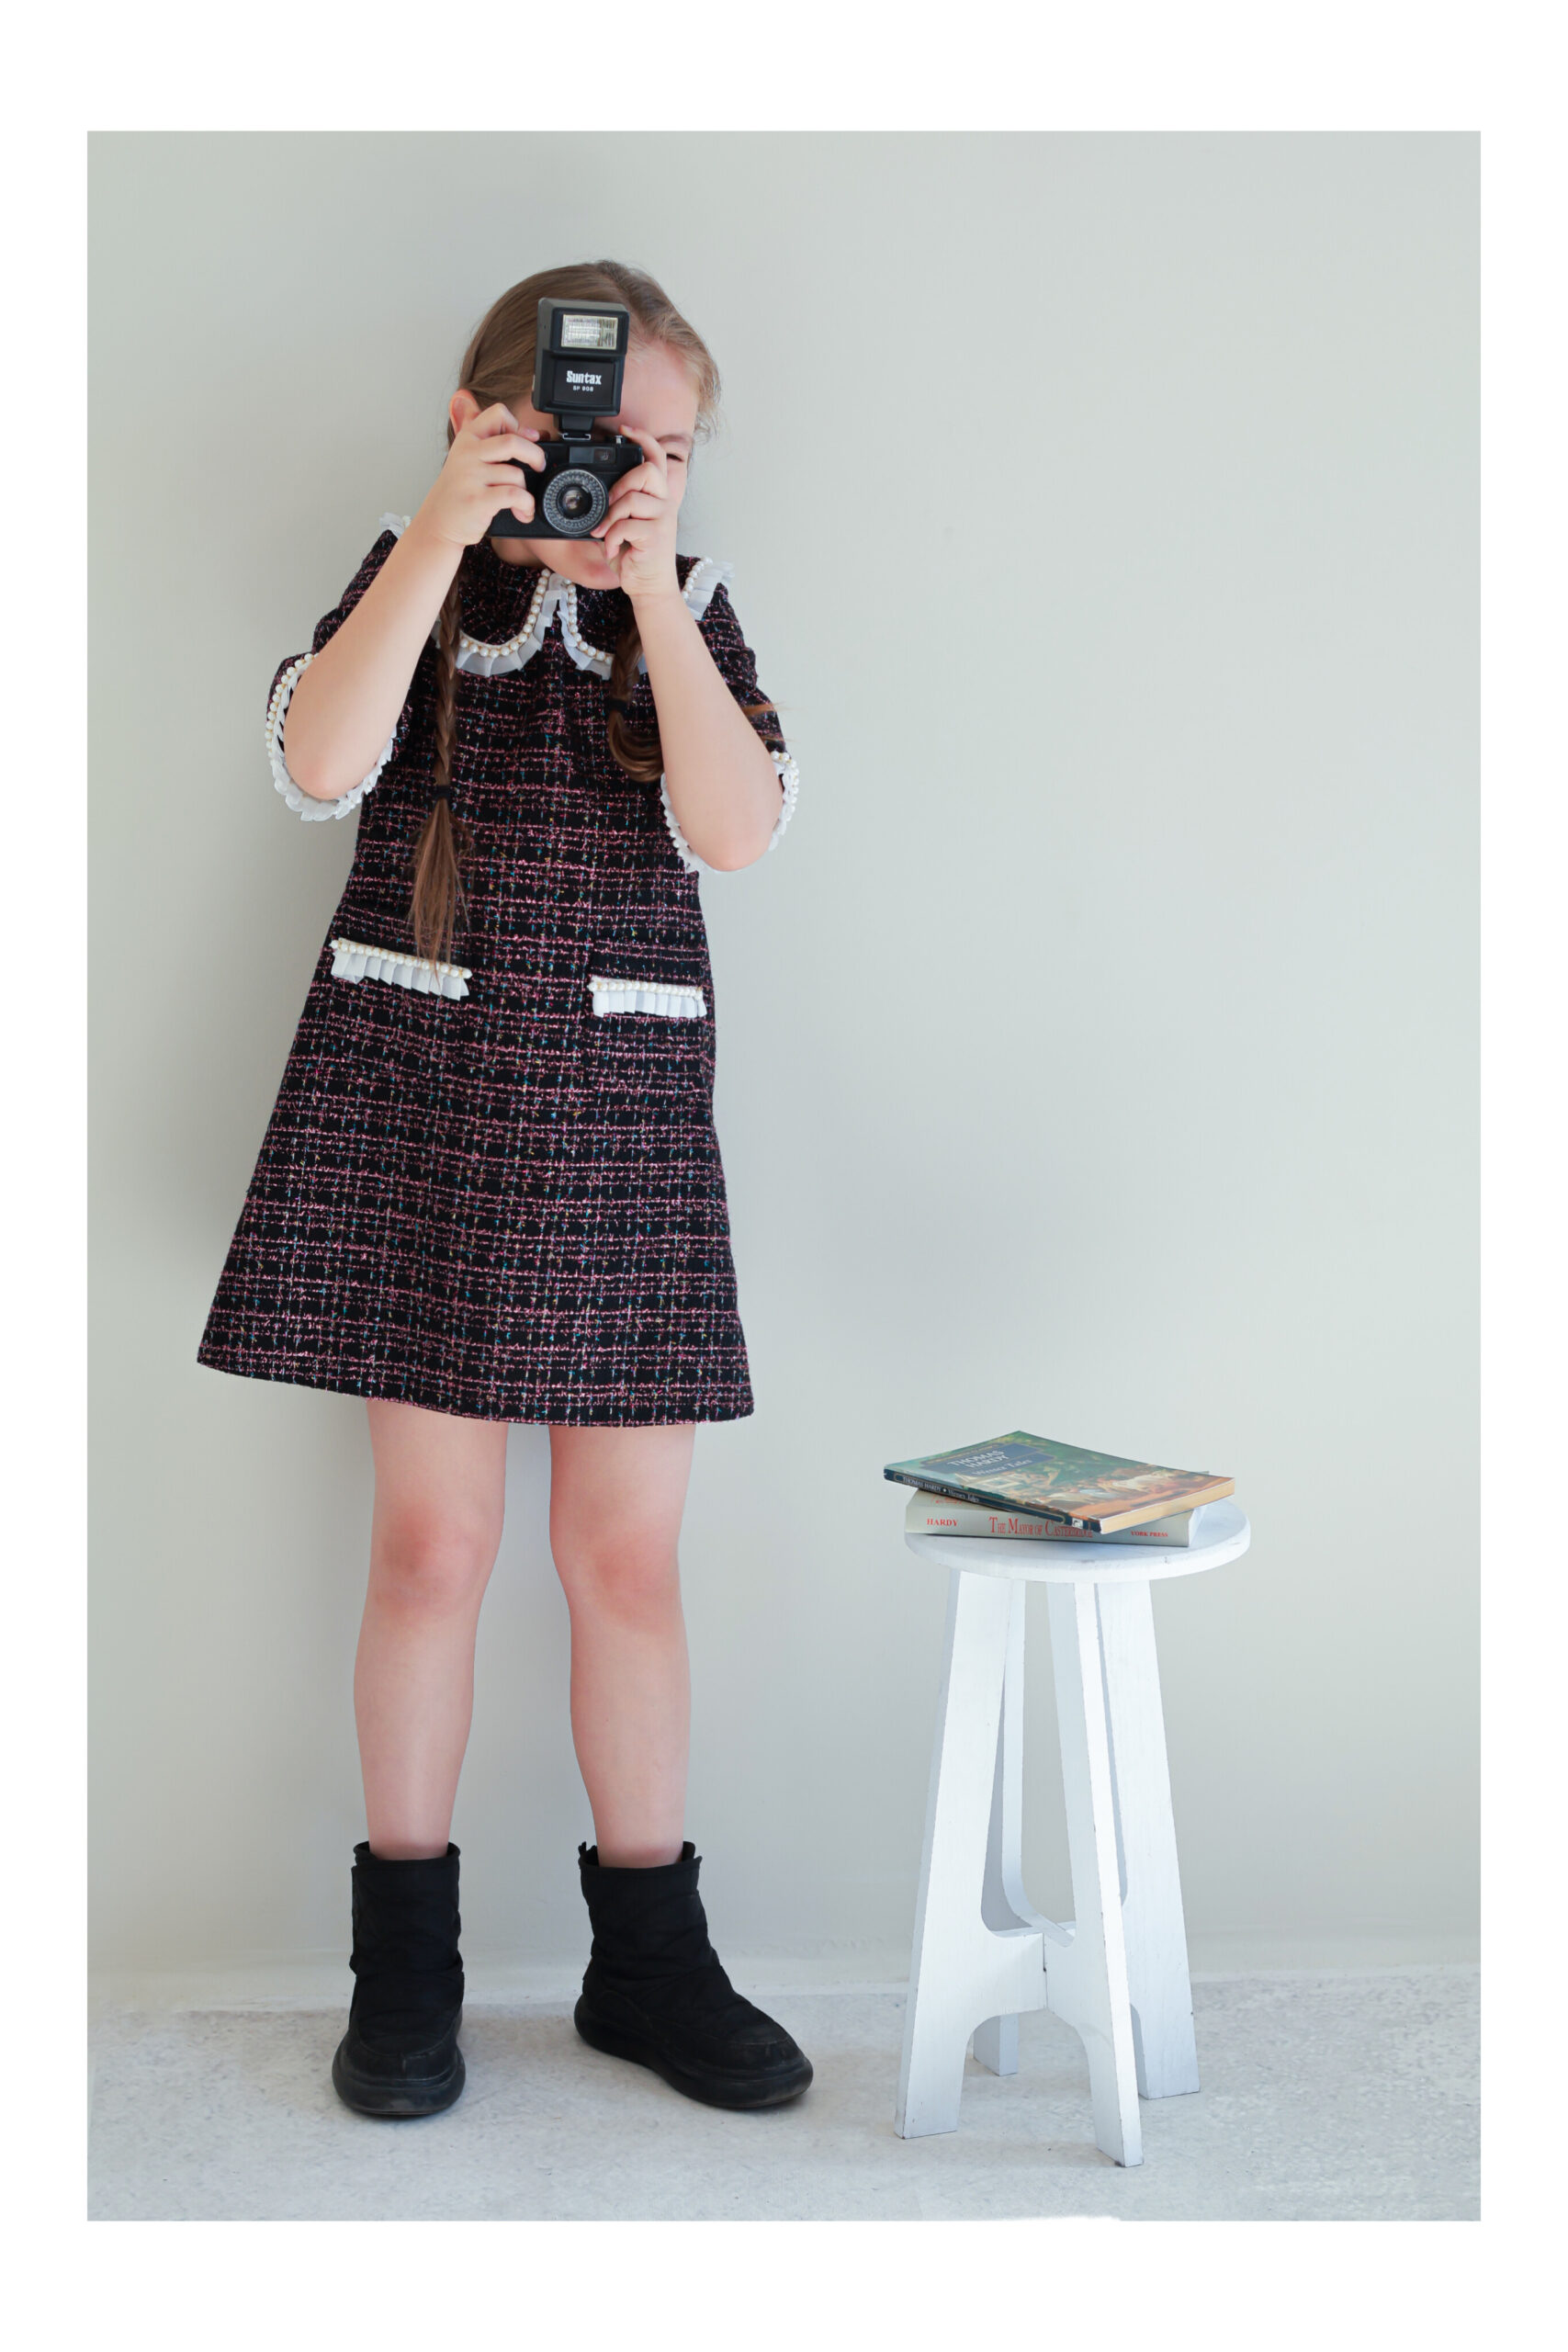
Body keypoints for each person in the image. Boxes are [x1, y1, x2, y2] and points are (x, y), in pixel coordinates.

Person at [197, 260, 809, 2120]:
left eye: (661, 450)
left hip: (618, 1123)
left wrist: (650, 589)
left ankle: (650, 1957)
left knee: (623, 1558)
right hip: (423, 1109)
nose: (614, 473)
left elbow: (734, 830)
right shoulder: (415, 586)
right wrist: (439, 526)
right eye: (579, 437)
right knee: (431, 1550)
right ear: (483, 424)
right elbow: (320, 758)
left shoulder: (688, 613)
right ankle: (405, 1964)